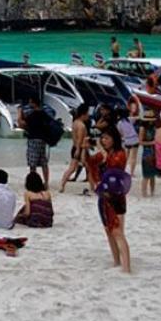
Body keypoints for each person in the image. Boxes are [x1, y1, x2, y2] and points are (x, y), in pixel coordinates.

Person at [87, 125, 130, 272]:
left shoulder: (120, 153)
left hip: (116, 196)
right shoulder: (103, 154)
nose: (104, 141)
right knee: (108, 231)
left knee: (117, 231)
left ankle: (127, 267)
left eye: (107, 138)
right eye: (102, 138)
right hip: (103, 197)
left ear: (114, 139)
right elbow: (89, 162)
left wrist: (103, 153)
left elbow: (116, 167)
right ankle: (116, 261)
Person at [19, 96, 51, 187]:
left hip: (33, 140)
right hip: (43, 140)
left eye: (30, 102)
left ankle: (33, 182)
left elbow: (22, 125)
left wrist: (19, 114)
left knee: (33, 164)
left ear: (33, 103)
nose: (29, 104)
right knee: (43, 162)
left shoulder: (32, 115)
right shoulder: (44, 114)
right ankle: (46, 182)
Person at [58, 104, 90, 194]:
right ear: (83, 114)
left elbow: (74, 138)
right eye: (87, 114)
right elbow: (80, 139)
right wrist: (79, 150)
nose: (88, 116)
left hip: (74, 147)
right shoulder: (81, 126)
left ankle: (62, 185)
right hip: (80, 149)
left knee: (72, 168)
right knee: (89, 167)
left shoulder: (75, 122)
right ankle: (93, 187)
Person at [116, 107, 141, 179]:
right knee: (133, 157)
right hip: (134, 139)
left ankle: (122, 170)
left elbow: (120, 133)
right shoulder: (130, 119)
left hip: (126, 140)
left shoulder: (119, 123)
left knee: (126, 157)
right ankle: (132, 173)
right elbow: (138, 117)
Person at [139, 109, 158, 197]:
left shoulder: (154, 127)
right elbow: (140, 142)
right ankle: (144, 193)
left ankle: (152, 192)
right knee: (146, 175)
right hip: (147, 153)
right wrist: (152, 142)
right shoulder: (143, 128)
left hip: (155, 153)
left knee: (153, 175)